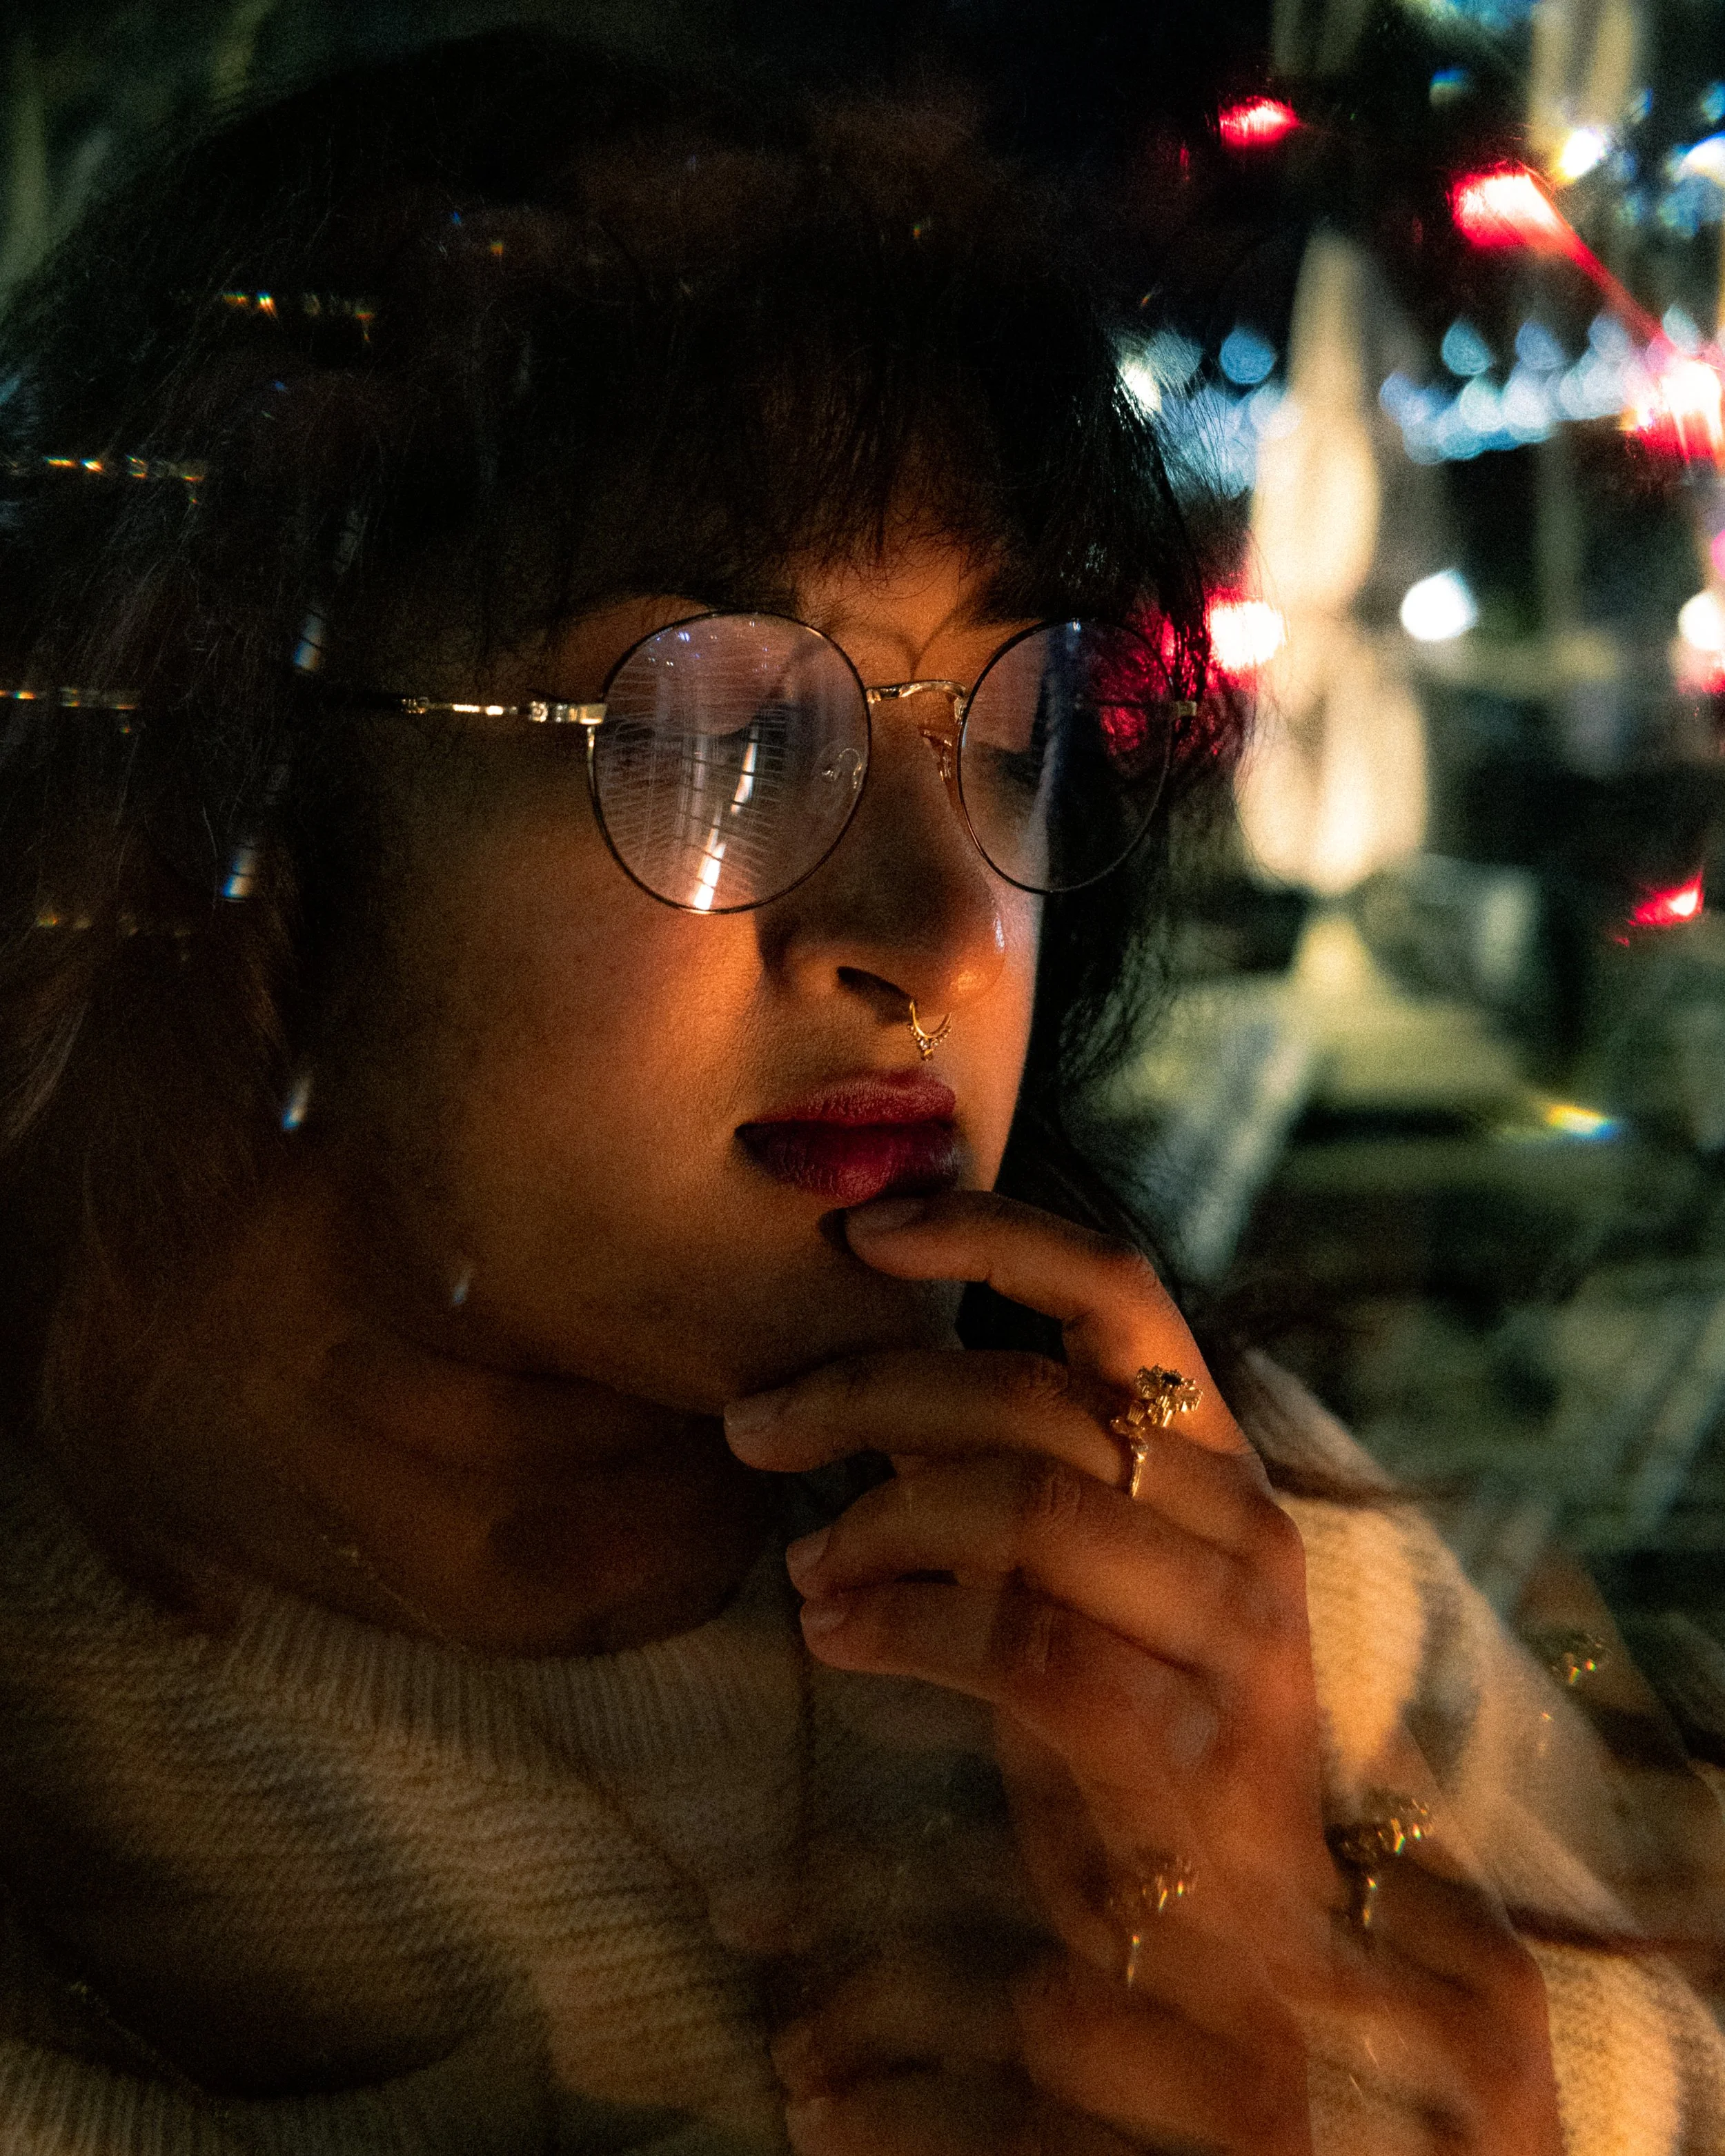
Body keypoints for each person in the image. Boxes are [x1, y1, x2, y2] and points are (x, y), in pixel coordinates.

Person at [0, 30, 1719, 2155]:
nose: (934, 922)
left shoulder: (1193, 1572)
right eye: (711, 728)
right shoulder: (77, 1788)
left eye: (1004, 735)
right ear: (223, 803)